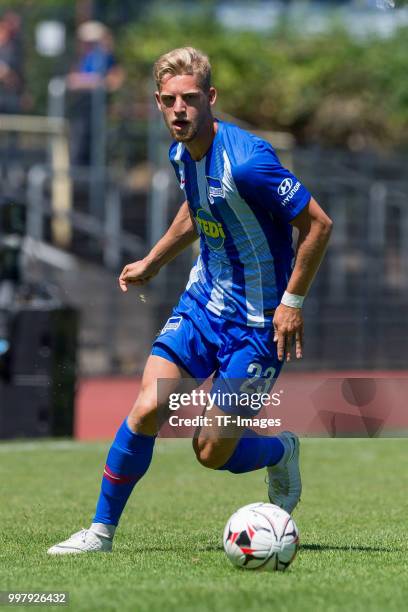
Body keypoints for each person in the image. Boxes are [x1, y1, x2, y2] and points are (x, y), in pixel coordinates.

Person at [48, 47, 332, 554]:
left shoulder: (248, 163)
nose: (179, 109)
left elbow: (317, 224)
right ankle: (100, 533)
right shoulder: (181, 153)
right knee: (146, 409)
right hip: (203, 306)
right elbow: (195, 206)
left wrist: (292, 302)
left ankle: (280, 450)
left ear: (211, 98)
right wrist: (154, 260)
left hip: (259, 325)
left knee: (209, 451)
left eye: (190, 99)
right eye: (168, 100)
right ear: (158, 104)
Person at [67, 21, 124, 166]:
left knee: (93, 149)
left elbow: (111, 80)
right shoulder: (87, 57)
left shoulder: (104, 57)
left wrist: (86, 82)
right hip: (82, 110)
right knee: (80, 148)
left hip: (96, 111)